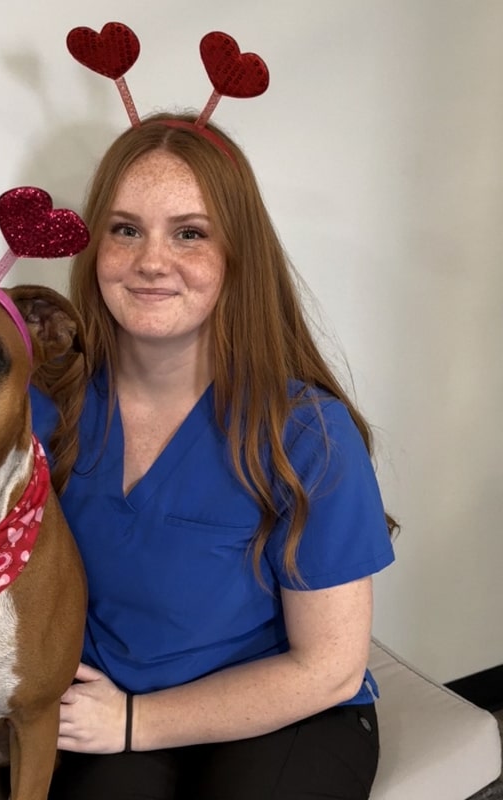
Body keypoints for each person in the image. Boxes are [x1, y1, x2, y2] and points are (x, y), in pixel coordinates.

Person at [28, 111, 397, 800]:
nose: (150, 261)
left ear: (237, 256)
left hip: (289, 710)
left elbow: (331, 668)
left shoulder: (308, 434)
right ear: (94, 246)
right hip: (103, 708)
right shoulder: (45, 411)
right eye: (125, 228)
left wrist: (139, 721)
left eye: (189, 233)